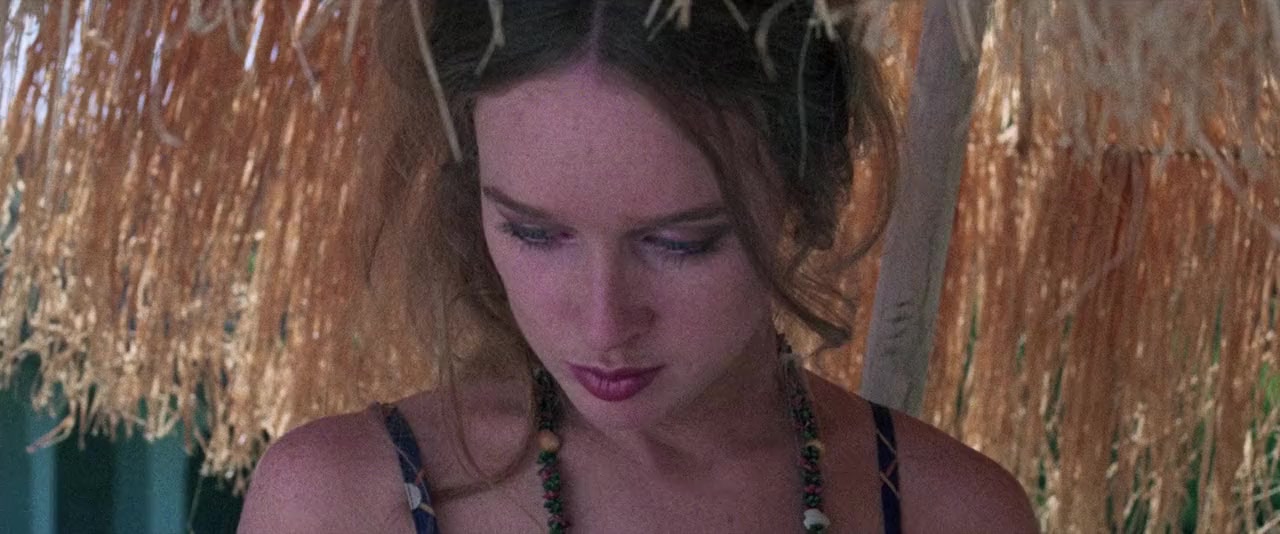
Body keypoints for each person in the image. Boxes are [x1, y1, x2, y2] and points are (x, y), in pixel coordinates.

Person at [238, 1, 1039, 532]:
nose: (604, 321)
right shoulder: (341, 504)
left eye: (681, 243)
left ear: (809, 189)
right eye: (534, 233)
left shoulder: (955, 515)